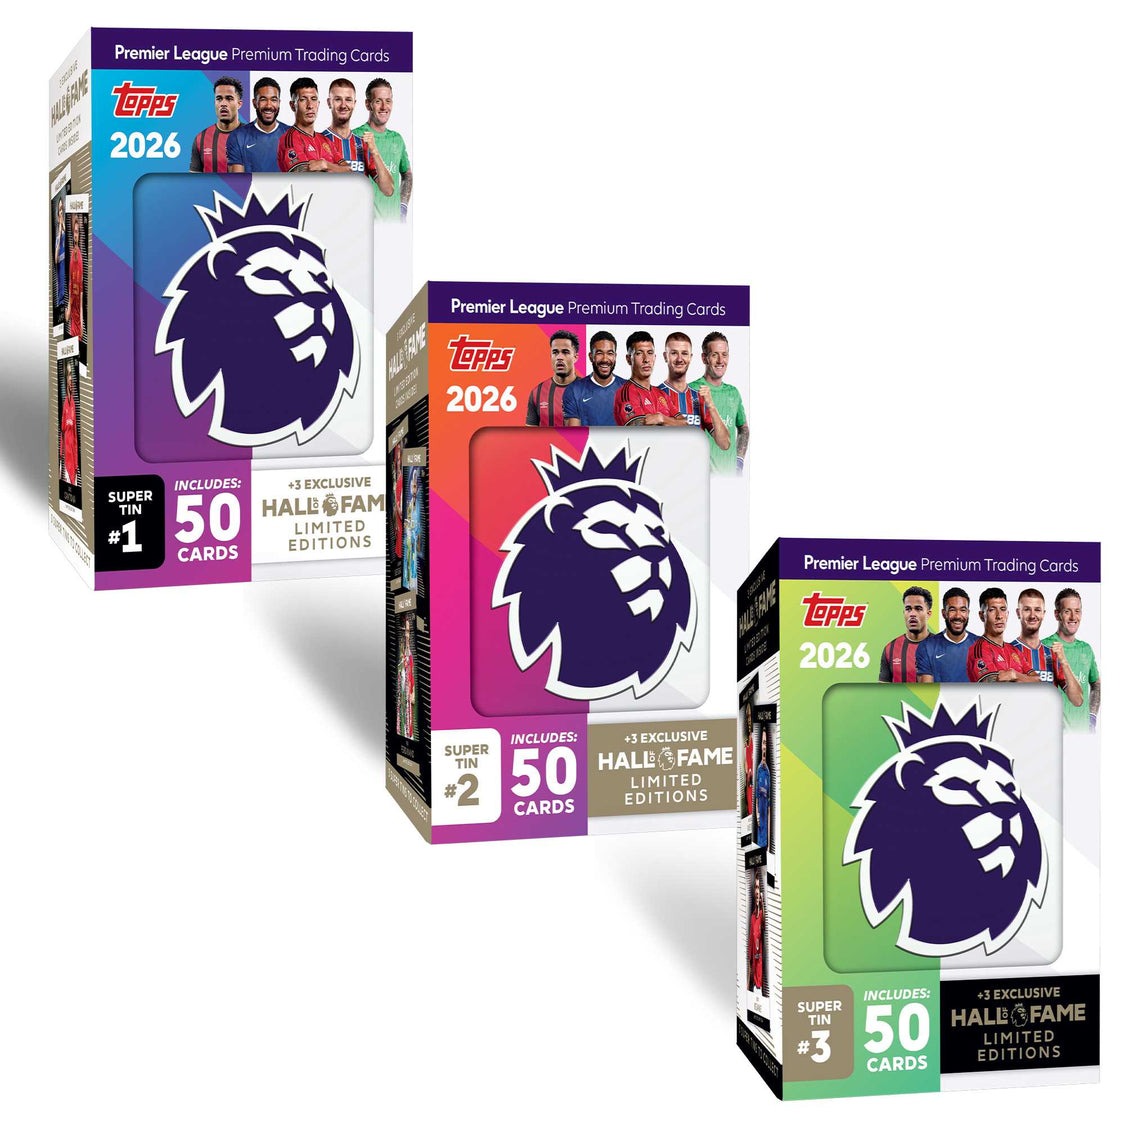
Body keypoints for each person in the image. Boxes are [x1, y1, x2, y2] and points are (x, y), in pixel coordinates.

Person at [353, 78, 412, 221]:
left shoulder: (397, 139)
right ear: (368, 104)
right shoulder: (354, 136)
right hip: (364, 225)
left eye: (388, 101)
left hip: (393, 224)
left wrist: (403, 206)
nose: (384, 107)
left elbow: (407, 174)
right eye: (378, 101)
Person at [1011, 588, 1082, 706]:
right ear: (1018, 613)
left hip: (1049, 718)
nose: (1032, 615)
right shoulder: (1007, 651)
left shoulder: (1052, 654)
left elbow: (1077, 700)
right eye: (1027, 609)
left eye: (1037, 610)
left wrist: (1064, 662)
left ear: (1043, 614)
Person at [1042, 588, 1101, 731]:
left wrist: (1092, 716)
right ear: (1057, 614)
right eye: (1067, 611)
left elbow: (1096, 684)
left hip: (1082, 734)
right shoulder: (1043, 647)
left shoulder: (1086, 649)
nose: (1073, 617)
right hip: (1053, 734)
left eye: (1077, 611)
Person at [321, 77, 394, 192]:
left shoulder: (363, 144)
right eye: (338, 99)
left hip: (359, 204)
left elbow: (388, 190)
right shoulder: (317, 141)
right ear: (329, 103)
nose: (343, 105)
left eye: (348, 100)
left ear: (354, 104)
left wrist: (374, 151)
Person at [689, 331, 748, 473]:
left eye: (724, 354)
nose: (721, 360)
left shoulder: (733, 393)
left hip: (729, 478)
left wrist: (739, 462)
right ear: (704, 358)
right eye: (715, 355)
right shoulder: (691, 390)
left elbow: (744, 429)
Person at [659, 331, 730, 448]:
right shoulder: (654, 394)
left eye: (684, 353)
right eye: (674, 353)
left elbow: (725, 444)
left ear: (690, 357)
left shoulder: (700, 397)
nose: (679, 359)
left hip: (696, 460)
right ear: (665, 356)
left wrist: (711, 406)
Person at [613, 331, 687, 426]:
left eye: (650, 353)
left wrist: (662, 418)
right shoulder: (626, 393)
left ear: (654, 357)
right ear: (628, 359)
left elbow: (685, 425)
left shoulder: (662, 394)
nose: (646, 359)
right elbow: (639, 430)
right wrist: (673, 423)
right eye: (639, 353)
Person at [966, 588, 1039, 683]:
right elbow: (992, 686)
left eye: (1003, 609)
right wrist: (1025, 679)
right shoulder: (979, 649)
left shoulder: (1014, 650)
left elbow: (1038, 681)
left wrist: (1015, 675)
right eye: (992, 610)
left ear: (1007, 614)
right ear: (981, 615)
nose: (999, 616)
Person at [277, 78, 350, 173]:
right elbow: (304, 177)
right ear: (292, 105)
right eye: (303, 99)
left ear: (318, 104)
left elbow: (349, 171)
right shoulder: (290, 140)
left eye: (313, 99)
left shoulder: (326, 141)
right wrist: (336, 170)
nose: (310, 106)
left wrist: (325, 165)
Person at [916, 587, 978, 683]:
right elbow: (926, 690)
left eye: (963, 610)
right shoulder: (927, 647)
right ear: (944, 613)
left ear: (968, 613)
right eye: (952, 610)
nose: (958, 616)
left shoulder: (981, 645)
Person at [563, 331, 624, 427]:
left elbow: (635, 431)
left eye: (610, 353)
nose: (605, 359)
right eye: (599, 353)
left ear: (615, 356)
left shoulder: (628, 389)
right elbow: (573, 434)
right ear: (591, 357)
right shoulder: (574, 390)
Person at [227, 77, 287, 172]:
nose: (268, 105)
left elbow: (299, 176)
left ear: (279, 103)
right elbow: (237, 179)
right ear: (255, 103)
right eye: (263, 99)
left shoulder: (292, 135)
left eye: (274, 100)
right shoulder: (238, 137)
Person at [526, 330, 581, 427]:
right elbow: (530, 434)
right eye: (555, 352)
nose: (559, 357)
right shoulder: (537, 392)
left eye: (565, 352)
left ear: (575, 357)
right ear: (550, 356)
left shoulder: (589, 391)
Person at [878, 586, 933, 682]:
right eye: (908, 609)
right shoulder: (890, 649)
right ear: (904, 613)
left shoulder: (942, 647)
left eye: (918, 609)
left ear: (928, 614)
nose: (912, 614)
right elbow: (882, 689)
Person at [189, 76, 243, 172]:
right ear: (215, 103)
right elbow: (194, 179)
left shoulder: (252, 137)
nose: (223, 103)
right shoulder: (200, 139)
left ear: (239, 104)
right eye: (219, 99)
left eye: (229, 98)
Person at [59, 367, 78, 484]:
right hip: (68, 447)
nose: (70, 380)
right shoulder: (66, 401)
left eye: (72, 374)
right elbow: (63, 428)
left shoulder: (76, 402)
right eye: (68, 375)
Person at [67, 215, 83, 340]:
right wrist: (69, 306)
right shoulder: (72, 255)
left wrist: (81, 324)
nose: (75, 234)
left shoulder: (80, 258)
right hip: (72, 321)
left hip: (78, 320)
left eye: (77, 232)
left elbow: (81, 295)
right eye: (74, 232)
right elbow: (70, 284)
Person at [747, 878, 765, 992]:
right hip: (755, 980)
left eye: (759, 888)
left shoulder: (763, 915)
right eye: (756, 888)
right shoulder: (753, 916)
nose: (757, 892)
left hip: (761, 982)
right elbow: (751, 941)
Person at [755, 726, 770, 850]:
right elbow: (756, 796)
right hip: (760, 807)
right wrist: (757, 814)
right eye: (763, 743)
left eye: (766, 743)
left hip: (766, 808)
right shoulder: (759, 769)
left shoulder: (767, 771)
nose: (764, 746)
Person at [54, 198, 67, 314]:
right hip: (61, 294)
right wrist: (59, 232)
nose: (61, 212)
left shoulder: (70, 233)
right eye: (59, 210)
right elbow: (56, 260)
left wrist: (63, 226)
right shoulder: (58, 238)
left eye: (62, 209)